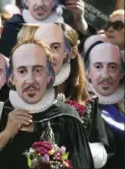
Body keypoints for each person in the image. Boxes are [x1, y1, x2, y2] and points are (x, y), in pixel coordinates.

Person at [0, 38, 94, 168]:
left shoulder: (67, 118)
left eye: (38, 70)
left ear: (50, 76)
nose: (30, 80)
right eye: (22, 71)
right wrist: (6, 133)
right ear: (12, 78)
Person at [33, 23, 108, 168]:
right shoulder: (24, 96)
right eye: (42, 47)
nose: (47, 54)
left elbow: (101, 153)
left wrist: (70, 152)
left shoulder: (88, 102)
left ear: (72, 53)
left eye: (55, 47)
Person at [0, 0, 92, 58]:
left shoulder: (64, 30)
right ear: (25, 0)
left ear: (54, 1)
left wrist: (80, 20)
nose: (40, 3)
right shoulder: (11, 29)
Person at [84, 42, 125, 169]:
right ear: (87, 73)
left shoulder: (121, 108)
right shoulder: (81, 110)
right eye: (98, 67)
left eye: (112, 67)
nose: (105, 75)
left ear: (121, 74)